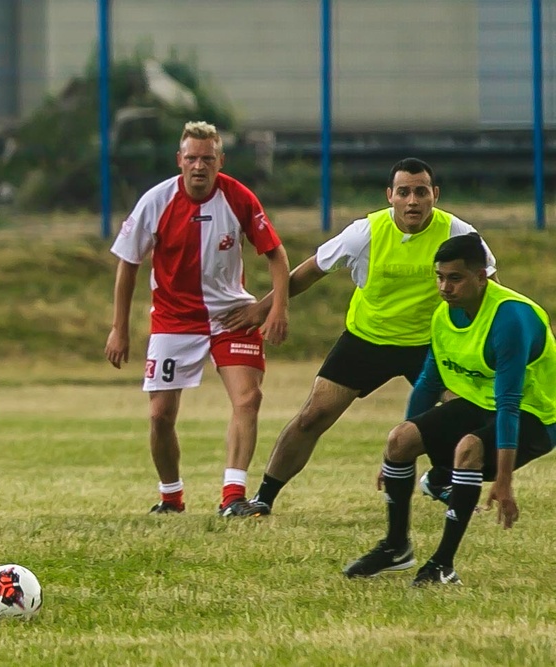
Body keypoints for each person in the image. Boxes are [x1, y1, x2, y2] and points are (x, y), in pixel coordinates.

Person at [222, 158, 497, 515]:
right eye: (404, 192)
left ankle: (440, 480)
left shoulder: (458, 232)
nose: (412, 200)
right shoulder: (365, 232)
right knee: (312, 417)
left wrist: (502, 333)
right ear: (390, 196)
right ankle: (264, 498)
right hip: (367, 340)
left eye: (421, 191)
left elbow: (489, 285)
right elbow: (310, 271)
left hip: (431, 345)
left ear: (435, 195)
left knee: (469, 411)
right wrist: (264, 309)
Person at [343, 233, 556, 585]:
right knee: (399, 439)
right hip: (484, 404)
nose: (444, 287)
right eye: (440, 277)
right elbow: (428, 383)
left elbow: (509, 404)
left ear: (480, 277)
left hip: (538, 415)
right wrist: (397, 457)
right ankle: (396, 548)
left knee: (468, 448)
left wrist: (504, 481)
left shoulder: (510, 320)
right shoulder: (444, 315)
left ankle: (443, 565)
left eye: (454, 278)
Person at [104, 120, 290, 517]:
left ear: (220, 160)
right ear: (180, 161)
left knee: (248, 398)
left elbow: (276, 254)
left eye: (208, 158)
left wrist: (276, 307)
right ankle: (171, 496)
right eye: (192, 158)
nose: (199, 166)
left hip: (231, 316)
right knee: (159, 416)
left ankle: (233, 497)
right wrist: (120, 328)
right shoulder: (155, 202)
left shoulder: (239, 198)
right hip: (174, 321)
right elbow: (128, 264)